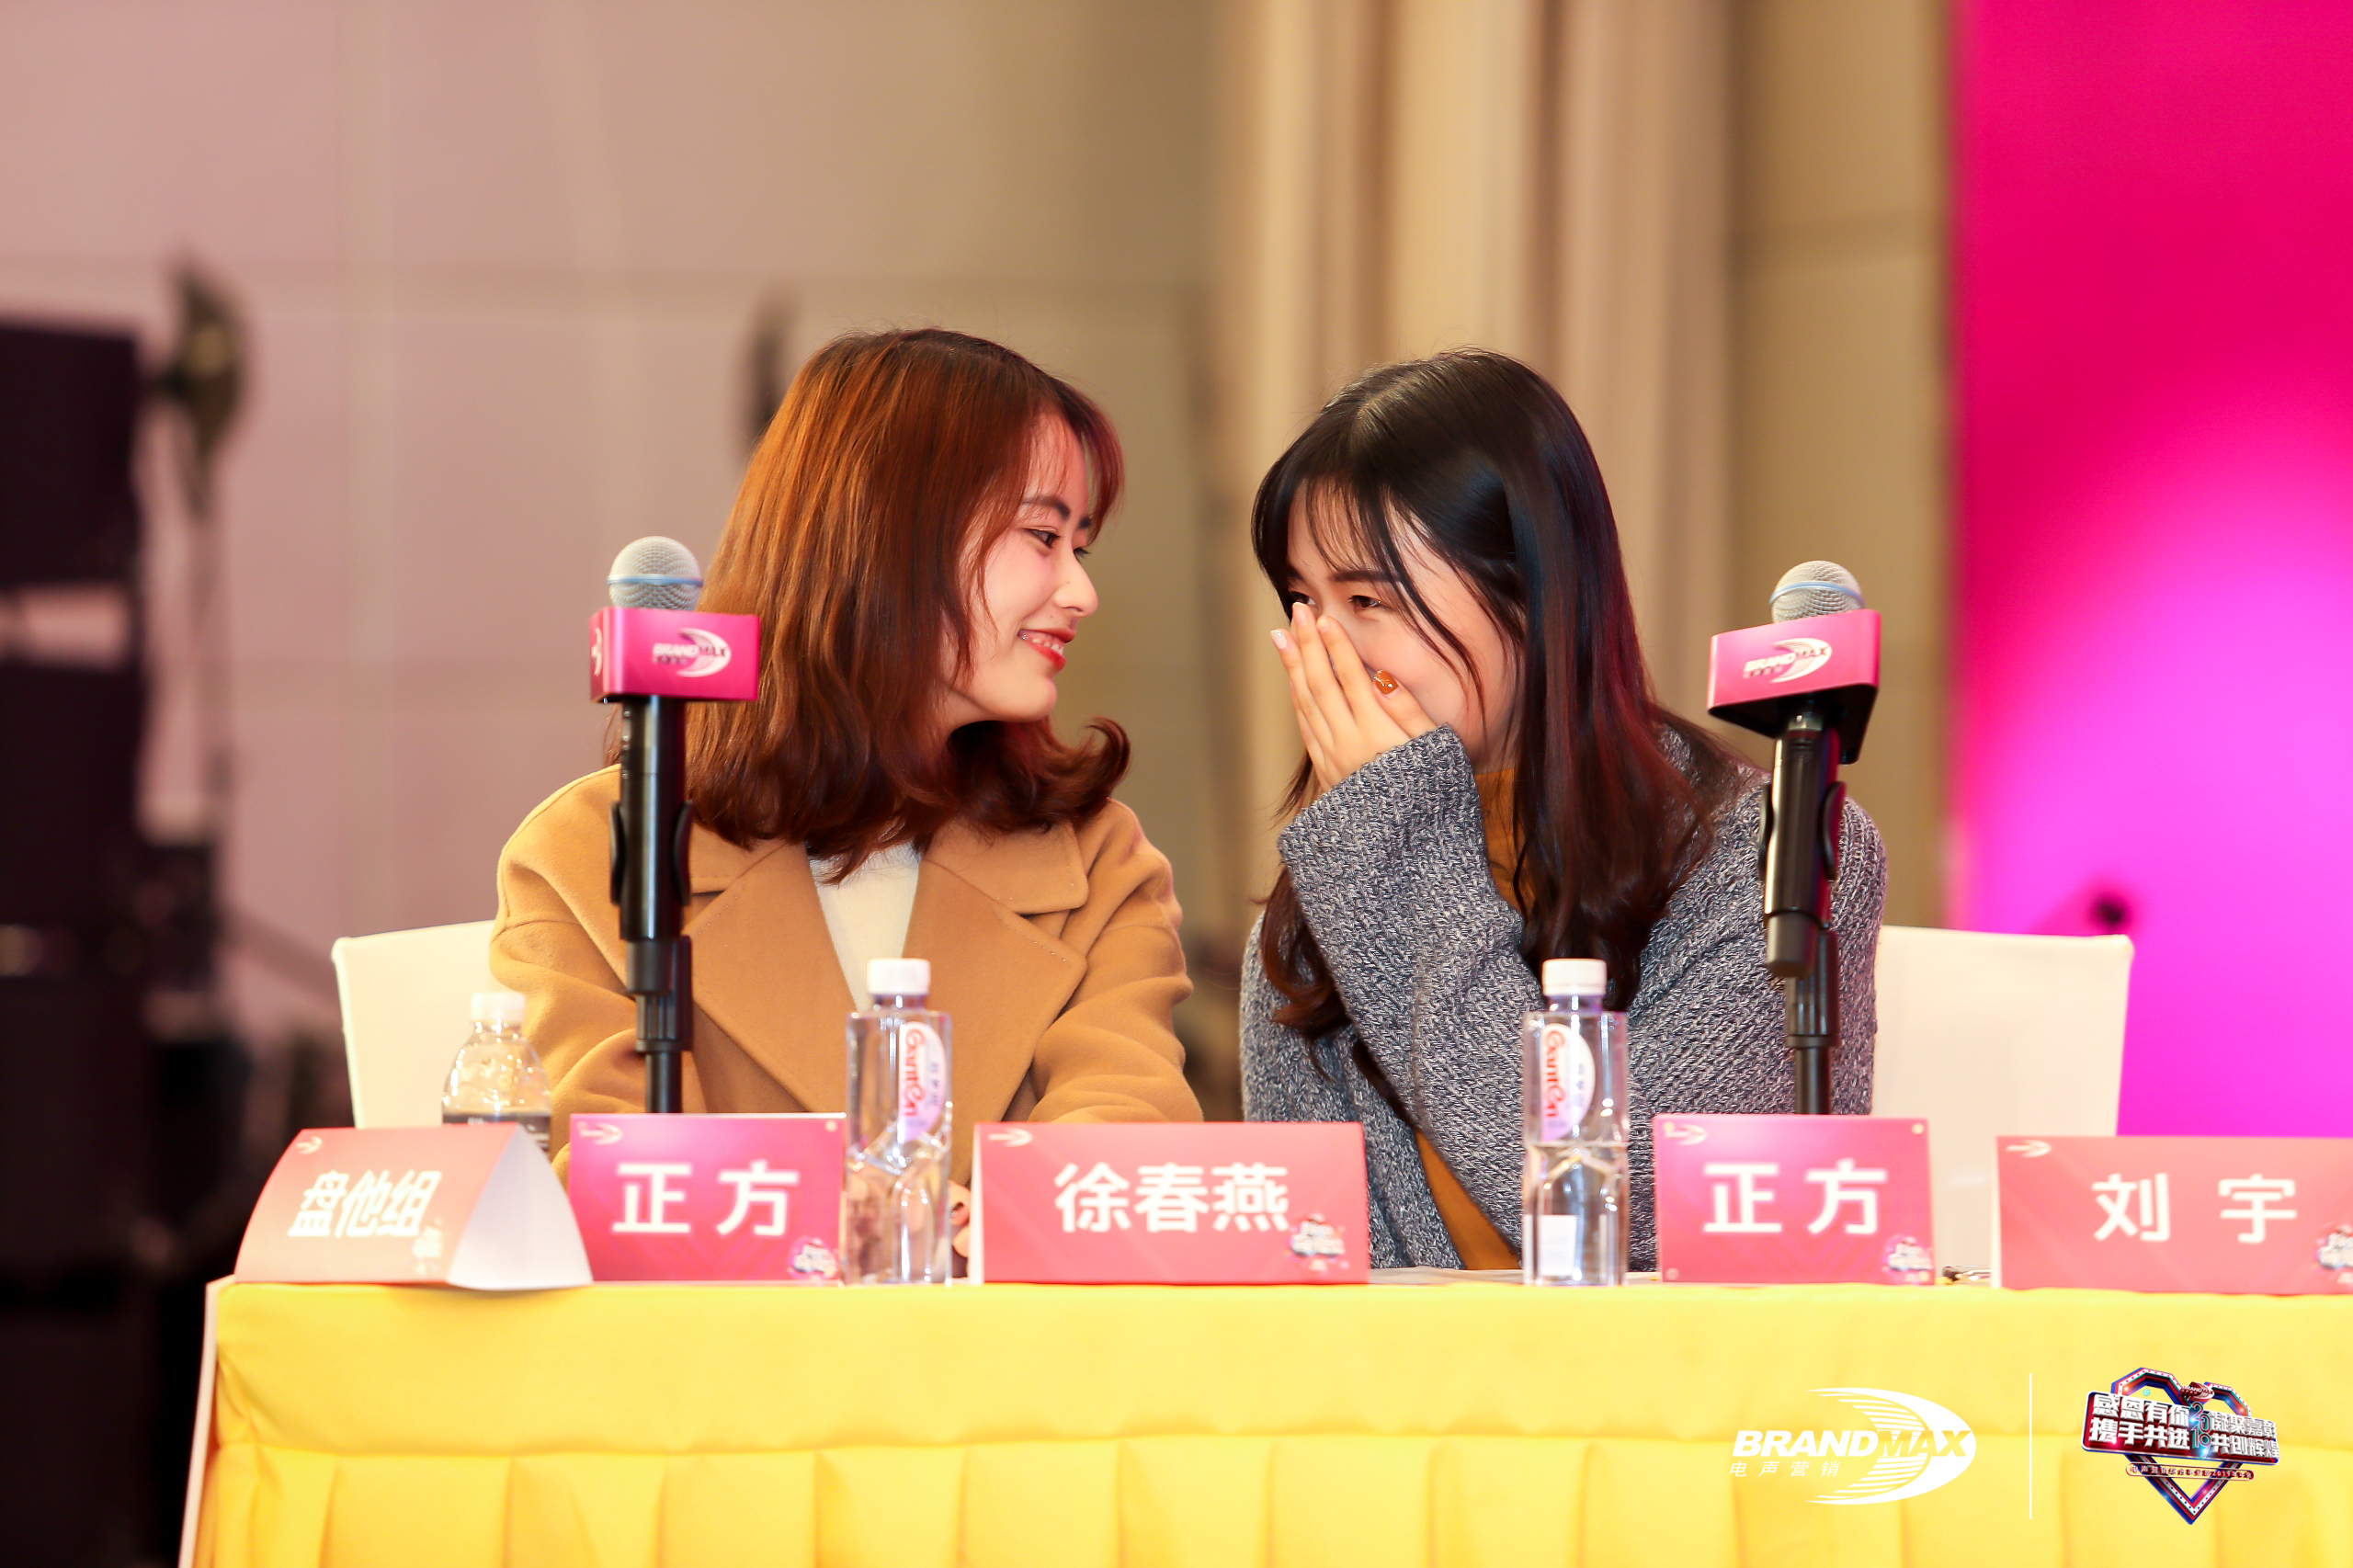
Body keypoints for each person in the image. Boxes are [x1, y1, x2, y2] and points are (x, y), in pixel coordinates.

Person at [494, 328, 1201, 1190]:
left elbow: (1123, 1150)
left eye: (1079, 548)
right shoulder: (586, 854)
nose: (1081, 592)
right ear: (889, 536)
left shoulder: (1097, 863)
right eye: (1042, 536)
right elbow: (592, 1179)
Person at [1240, 349, 1885, 1273]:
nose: (1324, 648)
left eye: (1366, 598)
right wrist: (1381, 841)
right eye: (1304, 600)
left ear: (1531, 591)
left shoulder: (1763, 854)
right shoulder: (1331, 885)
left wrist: (1398, 846)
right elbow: (1315, 1266)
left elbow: (1625, 1218)